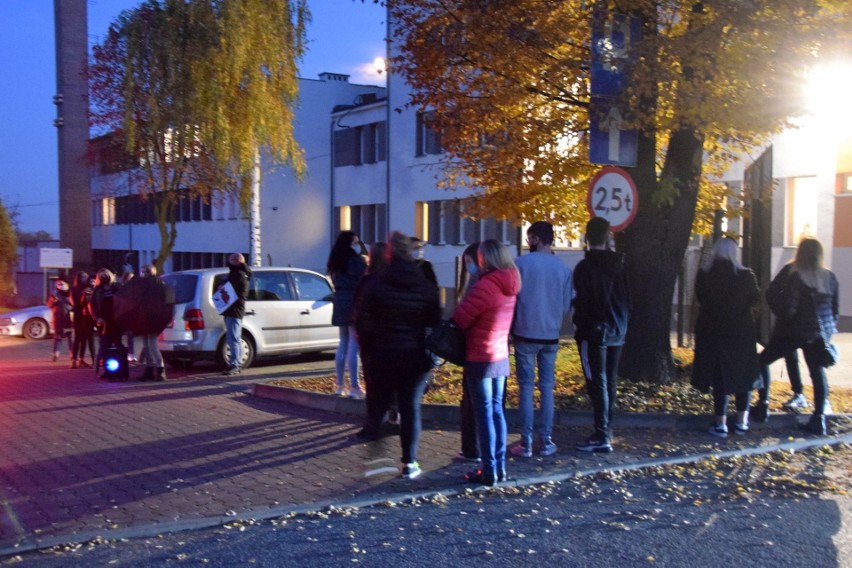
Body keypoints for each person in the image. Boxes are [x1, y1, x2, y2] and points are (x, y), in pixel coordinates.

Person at [354, 232, 441, 479]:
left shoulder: (376, 283)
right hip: (414, 357)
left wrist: (370, 349)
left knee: (378, 406)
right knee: (410, 408)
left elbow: (361, 320)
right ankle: (409, 462)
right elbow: (434, 322)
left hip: (383, 355)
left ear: (390, 253)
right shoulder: (425, 285)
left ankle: (377, 460)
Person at [452, 239, 521, 486]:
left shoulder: (486, 286)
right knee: (497, 412)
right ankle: (499, 467)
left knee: (483, 415)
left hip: (480, 357)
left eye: (479, 258)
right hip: (500, 355)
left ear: (487, 259)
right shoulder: (511, 282)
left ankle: (489, 469)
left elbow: (461, 317)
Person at [757, 238, 839, 435]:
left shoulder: (796, 276)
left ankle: (763, 404)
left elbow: (789, 309)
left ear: (800, 253)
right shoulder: (830, 278)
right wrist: (827, 331)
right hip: (818, 335)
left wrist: (781, 313)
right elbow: (835, 310)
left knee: (762, 361)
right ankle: (818, 419)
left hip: (794, 332)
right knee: (817, 373)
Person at [510, 221, 573, 458]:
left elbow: (512, 297)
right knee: (547, 388)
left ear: (535, 238)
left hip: (525, 332)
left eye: (529, 238)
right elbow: (566, 305)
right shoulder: (563, 269)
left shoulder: (520, 264)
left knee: (526, 388)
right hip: (550, 336)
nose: (528, 243)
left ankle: (525, 442)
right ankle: (546, 441)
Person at [691, 237, 762, 437]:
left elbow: (701, 298)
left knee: (719, 376)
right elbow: (756, 299)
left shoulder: (705, 274)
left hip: (713, 330)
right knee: (743, 375)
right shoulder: (746, 275)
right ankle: (742, 421)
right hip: (741, 332)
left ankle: (720, 423)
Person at [572, 217, 630, 453]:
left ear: (587, 238)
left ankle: (601, 433)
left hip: (593, 331)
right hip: (617, 329)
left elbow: (581, 302)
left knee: (597, 381)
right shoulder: (620, 265)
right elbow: (628, 299)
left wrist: (580, 326)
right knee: (610, 379)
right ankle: (607, 428)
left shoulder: (584, 268)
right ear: (608, 238)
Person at [353, 241, 393, 440]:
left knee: (374, 388)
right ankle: (389, 421)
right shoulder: (393, 280)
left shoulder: (368, 281)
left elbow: (359, 312)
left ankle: (374, 424)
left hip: (372, 343)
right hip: (391, 341)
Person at [327, 231, 367, 398]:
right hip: (353, 299)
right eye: (357, 243)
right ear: (351, 244)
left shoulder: (335, 260)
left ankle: (339, 385)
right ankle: (355, 386)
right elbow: (364, 277)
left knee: (343, 341)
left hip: (339, 299)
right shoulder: (354, 261)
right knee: (353, 344)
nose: (358, 245)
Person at [455, 241, 481, 463]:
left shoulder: (478, 285)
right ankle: (485, 448)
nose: (467, 266)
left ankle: (471, 449)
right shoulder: (503, 283)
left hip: (475, 350)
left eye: (469, 262)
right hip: (496, 353)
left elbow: (463, 317)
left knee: (471, 401)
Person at [137, 264, 170, 382]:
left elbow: (166, 301)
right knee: (146, 345)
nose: (142, 274)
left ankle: (160, 370)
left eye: (144, 271)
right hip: (144, 319)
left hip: (153, 319)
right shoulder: (142, 286)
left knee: (152, 344)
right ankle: (149, 370)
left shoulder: (159, 285)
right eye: (141, 271)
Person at [222, 253, 251, 376]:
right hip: (232, 310)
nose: (229, 263)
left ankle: (235, 365)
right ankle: (235, 364)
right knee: (234, 338)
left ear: (236, 261)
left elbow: (239, 294)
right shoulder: (240, 274)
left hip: (234, 311)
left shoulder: (238, 275)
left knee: (233, 339)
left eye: (231, 260)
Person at [91, 268, 122, 377]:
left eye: (106, 274)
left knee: (118, 344)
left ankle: (120, 368)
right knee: (104, 345)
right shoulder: (97, 290)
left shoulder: (117, 287)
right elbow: (93, 305)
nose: (104, 277)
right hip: (103, 322)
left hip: (116, 320)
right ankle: (106, 369)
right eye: (101, 275)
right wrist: (97, 318)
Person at [70, 271, 95, 369]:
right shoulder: (84, 289)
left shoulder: (74, 289)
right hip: (83, 315)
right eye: (84, 277)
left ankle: (75, 360)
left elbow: (74, 303)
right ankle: (79, 360)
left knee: (79, 338)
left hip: (78, 315)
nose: (85, 279)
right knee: (82, 338)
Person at [47, 279, 73, 362]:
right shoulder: (54, 294)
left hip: (69, 318)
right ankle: (55, 354)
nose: (60, 286)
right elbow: (49, 305)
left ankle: (72, 354)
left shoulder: (71, 294)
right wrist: (52, 301)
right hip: (58, 319)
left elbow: (75, 304)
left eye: (62, 284)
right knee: (58, 337)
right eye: (58, 284)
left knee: (71, 337)